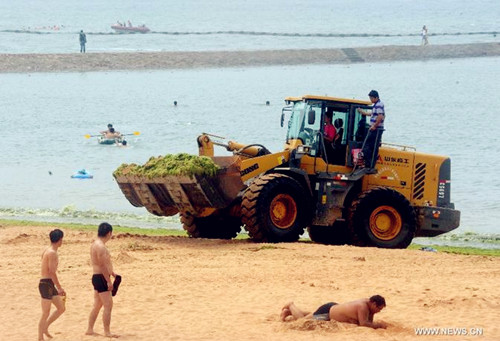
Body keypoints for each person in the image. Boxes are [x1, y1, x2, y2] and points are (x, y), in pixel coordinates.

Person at [86, 222, 119, 338]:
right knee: (108, 305)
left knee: (97, 304)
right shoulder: (101, 246)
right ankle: (107, 332)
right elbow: (102, 265)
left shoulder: (95, 244)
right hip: (101, 278)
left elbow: (103, 264)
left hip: (97, 277)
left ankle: (90, 329)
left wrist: (112, 273)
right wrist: (108, 281)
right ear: (109, 233)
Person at [280, 295, 387, 329]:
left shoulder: (368, 304)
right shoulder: (362, 307)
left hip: (333, 308)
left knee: (313, 314)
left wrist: (373, 321)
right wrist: (379, 325)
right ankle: (291, 305)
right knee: (303, 321)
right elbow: (363, 323)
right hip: (328, 312)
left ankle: (289, 312)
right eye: (379, 309)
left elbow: (368, 321)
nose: (379, 311)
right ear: (373, 304)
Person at [38, 229, 66, 341]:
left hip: (48, 283)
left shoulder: (47, 250)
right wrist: (59, 287)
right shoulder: (52, 253)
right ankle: (40, 337)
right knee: (45, 313)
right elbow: (52, 272)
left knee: (61, 308)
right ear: (59, 240)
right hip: (45, 284)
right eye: (62, 239)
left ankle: (45, 327)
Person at [358, 90, 385, 168]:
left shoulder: (379, 105)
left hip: (376, 130)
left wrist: (374, 126)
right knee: (370, 146)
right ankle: (368, 163)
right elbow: (373, 114)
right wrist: (363, 112)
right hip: (375, 129)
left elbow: (380, 116)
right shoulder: (376, 105)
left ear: (375, 97)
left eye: (371, 98)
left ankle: (369, 164)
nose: (370, 99)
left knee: (367, 145)